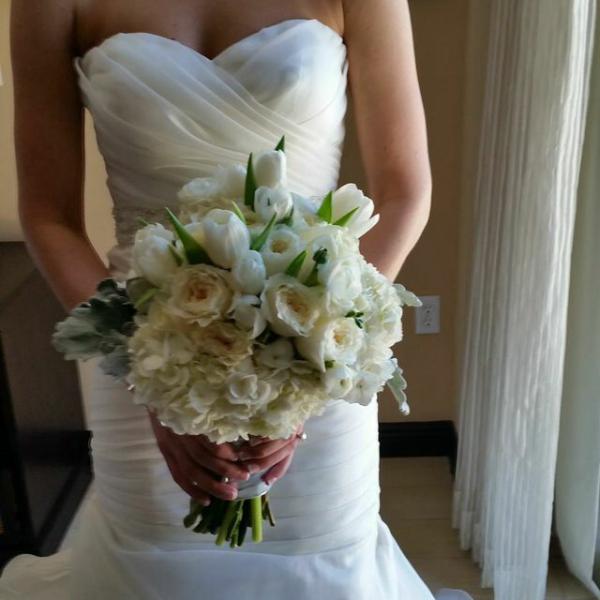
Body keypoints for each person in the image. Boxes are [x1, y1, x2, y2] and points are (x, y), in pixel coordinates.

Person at [2, 1, 473, 598]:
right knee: (156, 572)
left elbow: (406, 193)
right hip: (143, 350)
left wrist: (310, 371)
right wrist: (151, 381)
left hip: (319, 351)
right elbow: (50, 216)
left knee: (321, 567)